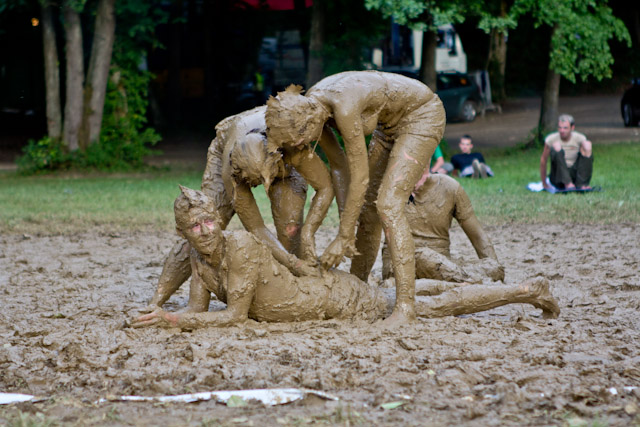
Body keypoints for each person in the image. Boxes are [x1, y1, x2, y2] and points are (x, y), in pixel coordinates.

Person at [131, 187, 560, 329]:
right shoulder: (199, 259)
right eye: (195, 227)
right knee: (389, 291)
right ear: (183, 232)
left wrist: (168, 320)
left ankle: (524, 292)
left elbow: (233, 318)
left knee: (426, 310)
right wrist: (160, 316)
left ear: (218, 222)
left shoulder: (240, 246)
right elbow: (194, 313)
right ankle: (467, 283)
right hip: (325, 294)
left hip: (332, 300)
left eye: (209, 222)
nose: (205, 232)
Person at [265, 71, 446, 324]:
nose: (300, 148)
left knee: (388, 205)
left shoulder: (344, 108)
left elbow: (359, 176)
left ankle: (406, 309)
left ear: (310, 122)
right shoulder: (316, 108)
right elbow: (339, 166)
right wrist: (345, 225)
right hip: (387, 128)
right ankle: (358, 287)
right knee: (368, 213)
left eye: (301, 142)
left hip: (421, 116)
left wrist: (344, 236)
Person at [146, 106, 348, 312]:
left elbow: (325, 187)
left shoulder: (292, 146)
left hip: (280, 160)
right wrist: (294, 263)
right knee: (201, 229)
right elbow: (257, 228)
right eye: (255, 181)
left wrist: (308, 234)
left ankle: (291, 294)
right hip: (230, 150)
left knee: (291, 228)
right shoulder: (230, 172)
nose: (262, 186)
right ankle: (156, 301)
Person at [382, 172, 504, 283]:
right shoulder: (388, 186)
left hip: (442, 267)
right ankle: (468, 283)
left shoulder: (449, 187)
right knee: (424, 257)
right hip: (399, 265)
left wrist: (496, 271)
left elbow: (478, 236)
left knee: (492, 268)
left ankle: (464, 283)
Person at [540, 114, 593, 191]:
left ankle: (582, 184)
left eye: (565, 128)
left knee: (587, 144)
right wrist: (544, 183)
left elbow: (585, 155)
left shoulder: (580, 138)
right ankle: (567, 183)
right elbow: (543, 160)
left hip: (574, 173)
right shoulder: (551, 139)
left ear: (572, 128)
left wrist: (586, 147)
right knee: (557, 146)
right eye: (560, 128)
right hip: (558, 177)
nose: (562, 131)